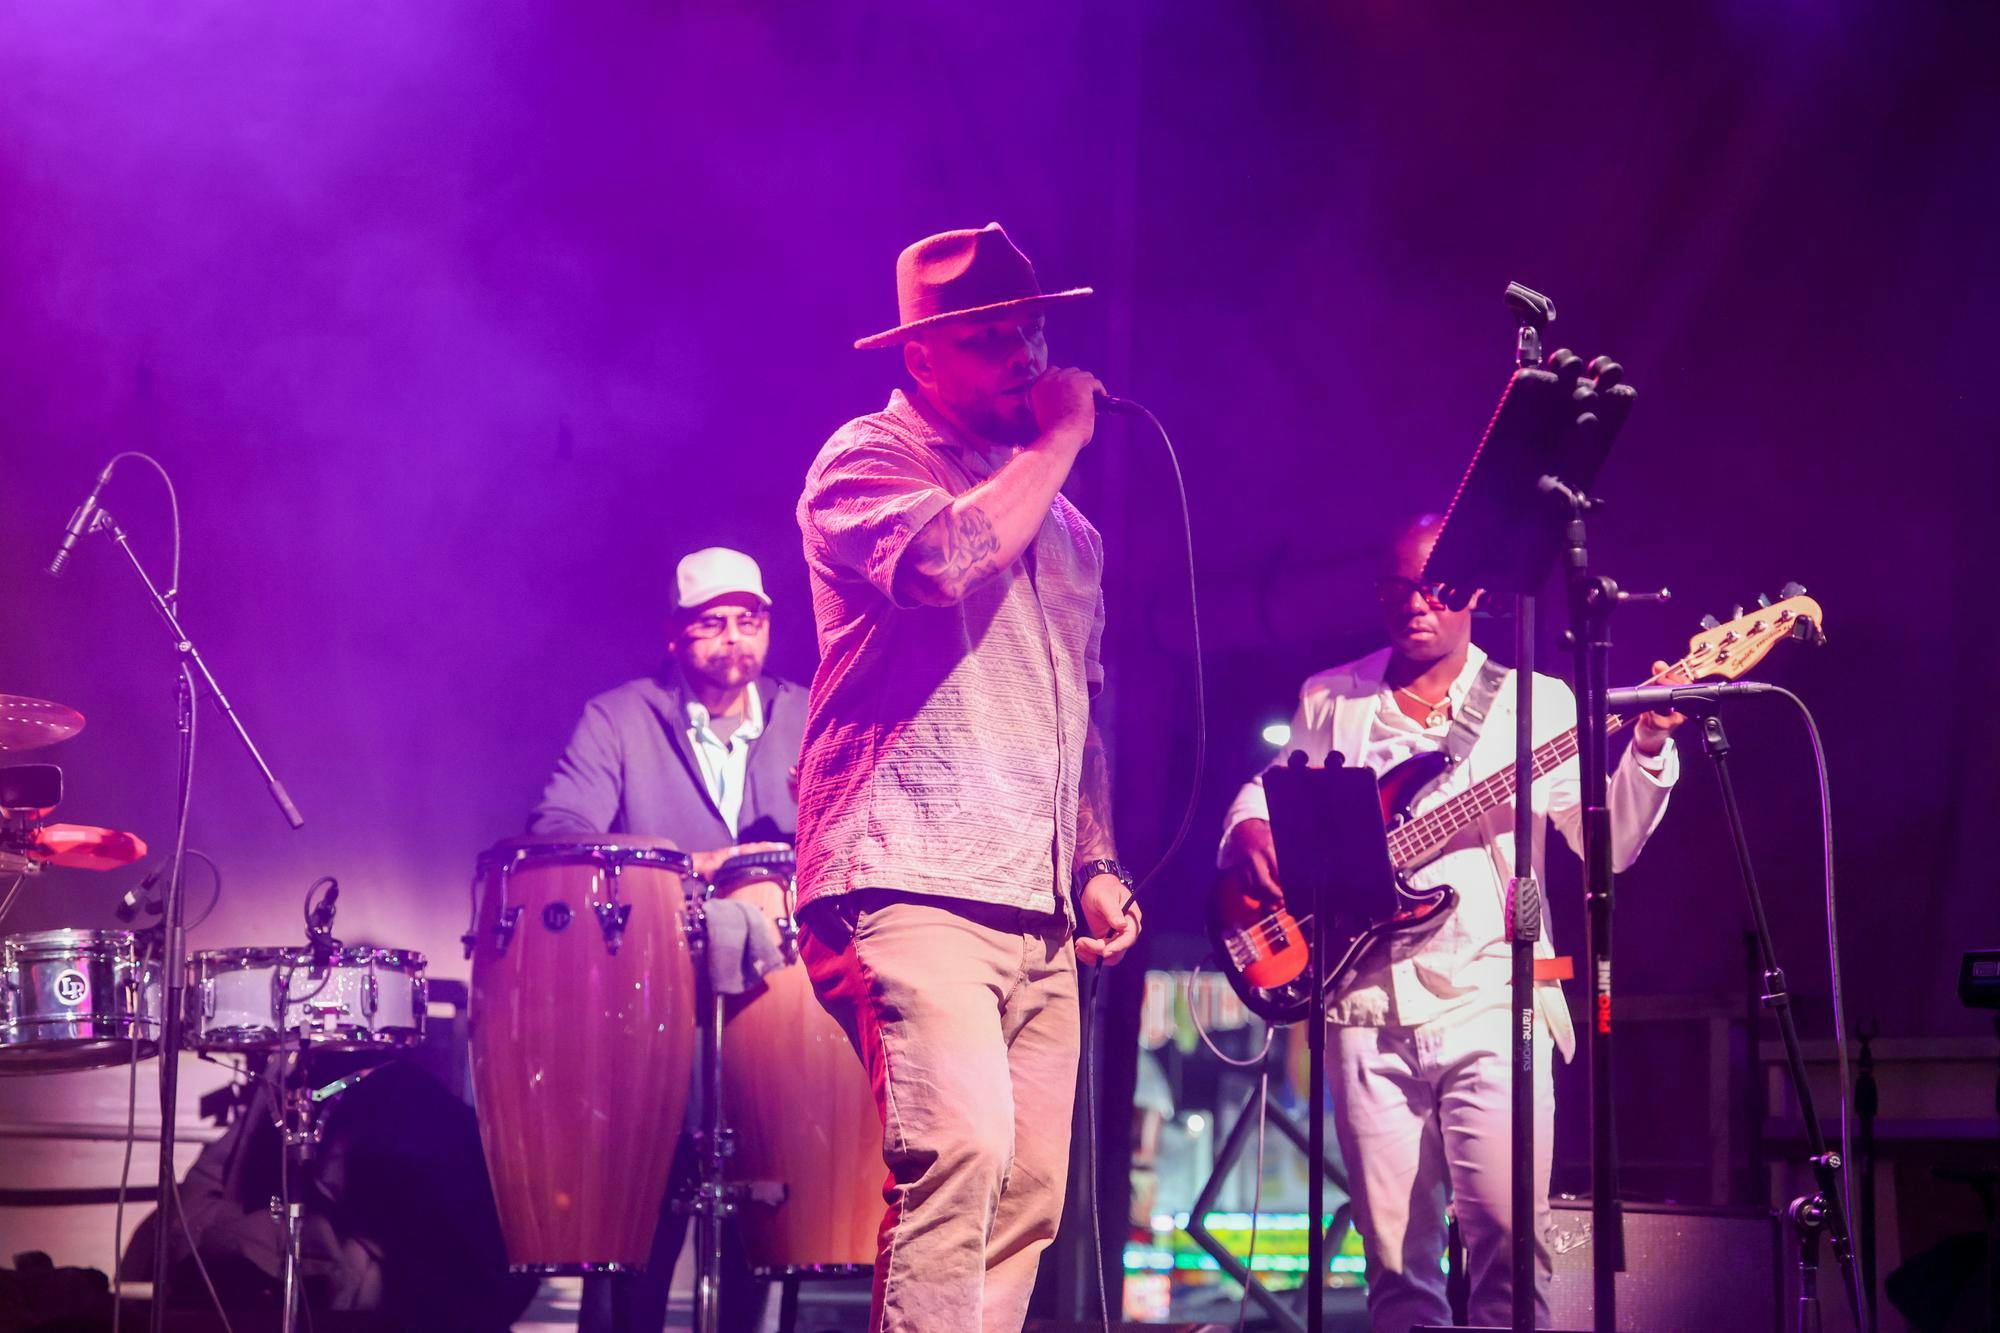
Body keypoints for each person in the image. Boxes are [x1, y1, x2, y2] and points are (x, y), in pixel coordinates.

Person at [794, 221, 1143, 1332]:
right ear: (921, 357)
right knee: (961, 1154)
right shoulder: (865, 461)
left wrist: (1093, 860)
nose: (1024, 359)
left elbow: (1076, 717)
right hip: (906, 874)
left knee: (1027, 1191)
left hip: (1034, 898)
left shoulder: (1072, 531)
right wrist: (1060, 444)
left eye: (1030, 332)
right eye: (988, 337)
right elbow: (943, 562)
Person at [1217, 514, 1686, 1332]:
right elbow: (1271, 786)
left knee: (1512, 1240)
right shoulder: (1331, 696)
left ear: (1473, 592)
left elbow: (1608, 848)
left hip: (1491, 1000)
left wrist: (1645, 748)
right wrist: (1248, 827)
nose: (1416, 605)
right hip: (1360, 1004)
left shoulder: (1538, 703)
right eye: (1397, 589)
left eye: (1435, 587)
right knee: (1396, 1263)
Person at [529, 545, 802, 1333]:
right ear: (677, 635)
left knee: (767, 1205)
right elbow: (557, 832)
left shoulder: (807, 713)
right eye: (712, 623)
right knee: (645, 1205)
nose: (733, 639)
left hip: (776, 997)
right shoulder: (619, 715)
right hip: (652, 993)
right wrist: (684, 865)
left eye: (748, 620)